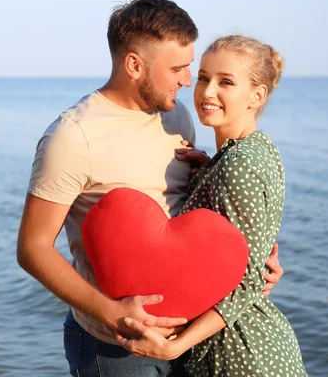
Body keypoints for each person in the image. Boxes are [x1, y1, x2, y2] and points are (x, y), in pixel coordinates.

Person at [16, 0, 284, 377]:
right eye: (178, 68)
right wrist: (113, 313)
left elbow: (190, 214)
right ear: (134, 65)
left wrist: (252, 258)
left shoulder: (178, 117)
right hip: (115, 349)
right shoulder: (73, 137)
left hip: (191, 340)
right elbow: (32, 248)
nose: (189, 80)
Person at [117, 35, 308, 376]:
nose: (206, 92)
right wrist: (207, 169)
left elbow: (246, 282)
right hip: (243, 345)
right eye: (203, 77)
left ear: (257, 95)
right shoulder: (255, 150)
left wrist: (176, 345)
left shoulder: (238, 165)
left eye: (226, 82)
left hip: (239, 354)